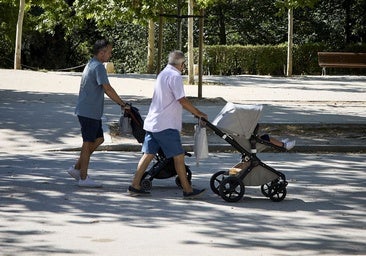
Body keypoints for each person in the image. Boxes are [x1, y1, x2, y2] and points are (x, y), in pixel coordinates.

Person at [128, 50, 207, 199]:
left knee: (148, 155)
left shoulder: (163, 73)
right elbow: (182, 100)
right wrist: (198, 113)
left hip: (153, 122)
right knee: (178, 157)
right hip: (166, 124)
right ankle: (188, 190)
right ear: (182, 64)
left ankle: (135, 184)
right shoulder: (175, 76)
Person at [67, 39, 129, 188]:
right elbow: (107, 88)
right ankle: (83, 177)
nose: (110, 54)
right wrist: (122, 103)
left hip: (90, 112)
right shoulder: (99, 67)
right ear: (102, 52)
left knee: (99, 139)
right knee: (87, 144)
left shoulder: (91, 63)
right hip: (88, 112)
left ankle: (76, 169)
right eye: (109, 52)